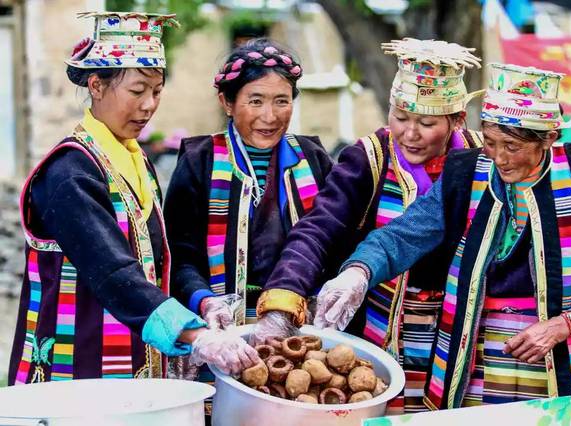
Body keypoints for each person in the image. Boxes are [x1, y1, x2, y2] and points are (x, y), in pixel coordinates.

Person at [314, 63, 571, 423]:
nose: (499, 158)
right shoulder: (466, 173)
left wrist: (565, 323)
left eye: (512, 146)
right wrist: (358, 272)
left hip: (564, 365)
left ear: (548, 138)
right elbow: (401, 235)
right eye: (490, 141)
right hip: (477, 362)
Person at [8, 12, 258, 386]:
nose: (149, 105)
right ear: (96, 85)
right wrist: (195, 336)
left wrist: (202, 304)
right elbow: (112, 271)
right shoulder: (70, 173)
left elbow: (157, 262)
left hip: (133, 364)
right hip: (76, 368)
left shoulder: (136, 161)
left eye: (156, 91)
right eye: (137, 91)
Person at [254, 38, 484, 413]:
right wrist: (282, 301)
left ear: (456, 120)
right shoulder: (369, 158)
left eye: (426, 123)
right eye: (400, 117)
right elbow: (320, 228)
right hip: (380, 330)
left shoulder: (480, 160)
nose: (409, 133)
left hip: (459, 330)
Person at [163, 37, 333, 415]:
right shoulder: (199, 162)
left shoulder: (314, 160)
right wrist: (205, 301)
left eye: (282, 100)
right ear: (227, 102)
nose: (270, 116)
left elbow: (332, 242)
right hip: (220, 332)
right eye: (255, 100)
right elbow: (180, 256)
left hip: (297, 330)